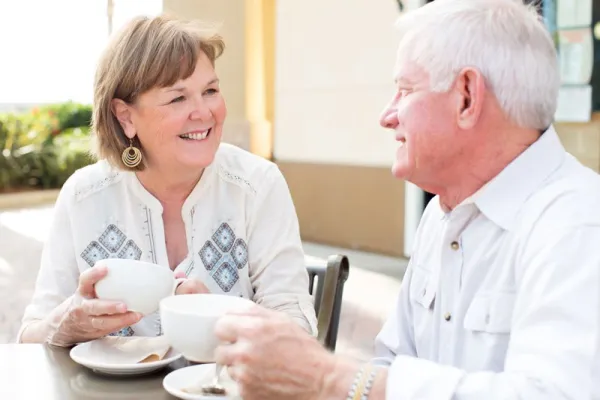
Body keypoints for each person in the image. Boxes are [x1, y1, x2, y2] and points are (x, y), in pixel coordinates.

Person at [212, 0, 600, 399]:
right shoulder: (443, 213)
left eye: (404, 90)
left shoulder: (577, 223)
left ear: (467, 97)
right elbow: (391, 362)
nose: (387, 115)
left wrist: (326, 379)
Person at [17, 14, 317, 347]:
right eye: (178, 98)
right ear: (125, 116)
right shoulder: (82, 196)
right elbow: (30, 336)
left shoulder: (258, 184)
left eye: (211, 90)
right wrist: (65, 325)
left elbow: (295, 328)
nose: (204, 112)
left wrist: (219, 319)